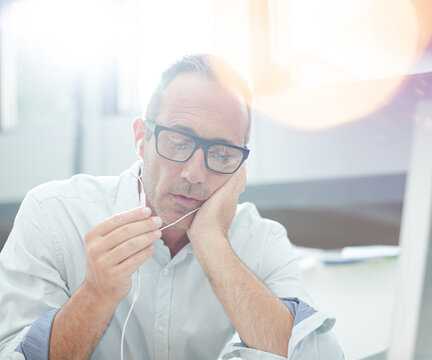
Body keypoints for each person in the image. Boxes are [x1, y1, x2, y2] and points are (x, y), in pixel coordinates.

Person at [0, 54, 343, 359]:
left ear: (240, 166)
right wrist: (95, 296)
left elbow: (318, 355)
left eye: (222, 154)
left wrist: (212, 242)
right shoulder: (53, 215)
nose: (195, 174)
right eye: (178, 143)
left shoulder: (264, 242)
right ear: (140, 138)